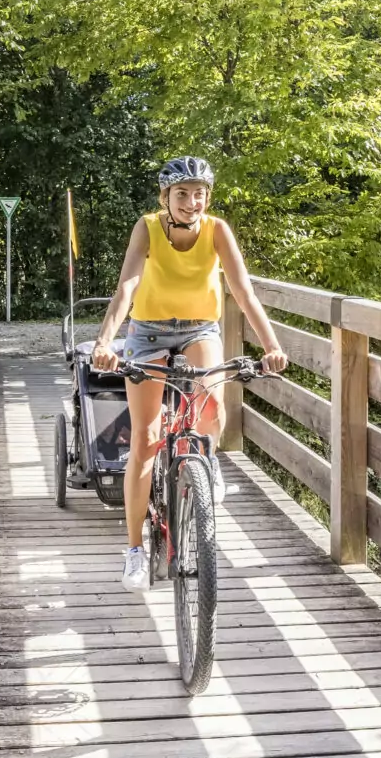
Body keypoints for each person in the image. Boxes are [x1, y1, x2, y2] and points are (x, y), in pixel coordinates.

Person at [89, 157, 290, 588]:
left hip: (200, 327)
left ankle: (205, 462)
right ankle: (134, 550)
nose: (192, 202)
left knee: (212, 401)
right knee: (144, 439)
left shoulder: (218, 231)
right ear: (166, 198)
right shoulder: (146, 227)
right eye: (182, 194)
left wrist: (272, 346)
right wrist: (105, 342)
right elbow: (127, 286)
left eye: (199, 193)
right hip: (148, 332)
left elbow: (243, 290)